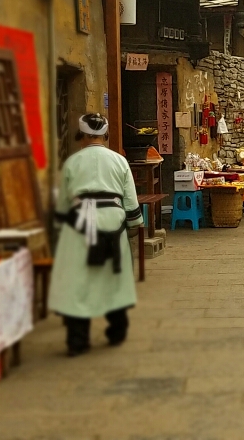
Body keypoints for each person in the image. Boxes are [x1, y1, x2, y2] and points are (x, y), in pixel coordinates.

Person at [48, 113, 145, 356]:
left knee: (78, 280)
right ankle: (117, 330)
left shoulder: (72, 163)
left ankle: (77, 339)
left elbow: (63, 202)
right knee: (115, 276)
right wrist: (135, 223)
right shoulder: (120, 161)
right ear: (106, 135)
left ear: (81, 135)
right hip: (113, 221)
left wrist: (59, 227)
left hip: (82, 222)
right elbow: (130, 198)